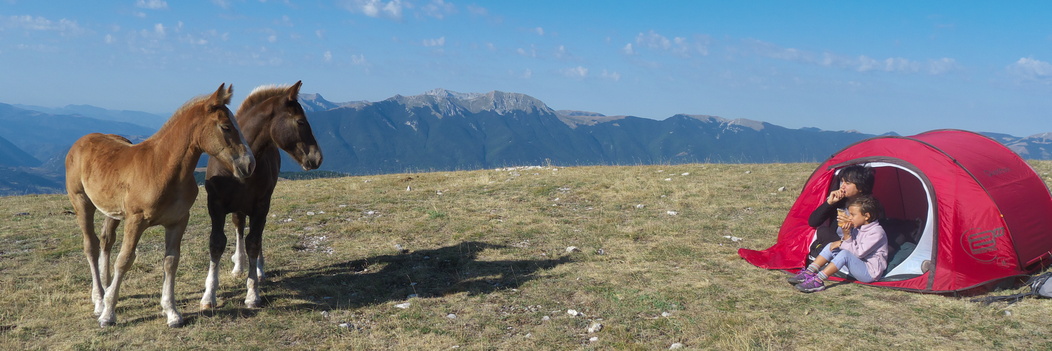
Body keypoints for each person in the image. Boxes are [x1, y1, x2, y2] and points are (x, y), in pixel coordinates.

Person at [788, 195, 889, 292]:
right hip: (857, 263)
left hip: (869, 272)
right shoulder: (858, 227)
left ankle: (818, 280)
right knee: (831, 246)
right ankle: (809, 272)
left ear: (867, 216)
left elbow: (858, 253)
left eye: (853, 215)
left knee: (844, 254)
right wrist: (845, 234)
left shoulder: (876, 232)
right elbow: (849, 245)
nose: (850, 217)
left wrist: (845, 238)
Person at [803, 165, 875, 266]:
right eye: (842, 181)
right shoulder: (839, 201)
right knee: (823, 231)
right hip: (837, 240)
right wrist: (829, 203)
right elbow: (813, 222)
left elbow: (873, 234)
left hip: (857, 246)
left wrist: (852, 223)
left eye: (848, 183)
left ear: (861, 187)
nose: (842, 186)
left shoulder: (870, 207)